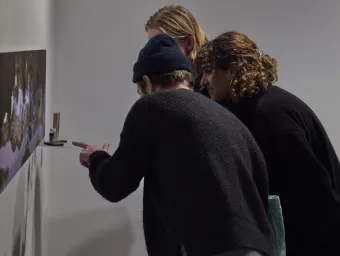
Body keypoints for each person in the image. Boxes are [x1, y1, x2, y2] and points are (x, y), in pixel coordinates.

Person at [73, 34, 273, 256]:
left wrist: (95, 157)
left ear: (147, 83)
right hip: (256, 246)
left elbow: (115, 184)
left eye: (140, 91)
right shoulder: (223, 115)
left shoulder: (151, 107)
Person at [196, 31, 340, 255]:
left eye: (208, 71)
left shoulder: (272, 117)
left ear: (233, 70)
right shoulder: (254, 108)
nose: (203, 81)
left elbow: (316, 199)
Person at [145, 4, 209, 96]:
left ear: (189, 43)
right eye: (151, 47)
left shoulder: (212, 86)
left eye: (162, 45)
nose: (153, 54)